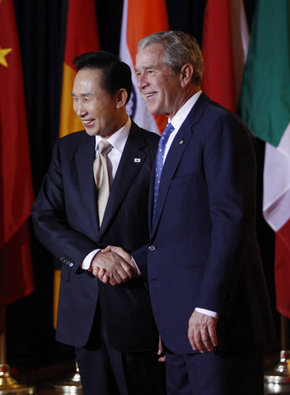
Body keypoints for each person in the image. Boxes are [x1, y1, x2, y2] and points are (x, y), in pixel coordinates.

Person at [102, 31, 275, 394]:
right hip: (182, 328)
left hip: (216, 328)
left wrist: (208, 308)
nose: (141, 82)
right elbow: (179, 235)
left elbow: (231, 224)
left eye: (150, 71)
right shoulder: (172, 135)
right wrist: (134, 263)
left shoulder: (217, 127)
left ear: (184, 74)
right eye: (138, 72)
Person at [31, 51, 165, 395]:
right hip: (84, 318)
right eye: (75, 98)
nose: (79, 109)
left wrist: (132, 262)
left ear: (120, 97)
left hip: (141, 313)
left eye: (88, 97)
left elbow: (174, 231)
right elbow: (45, 217)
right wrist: (92, 257)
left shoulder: (158, 151)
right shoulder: (67, 150)